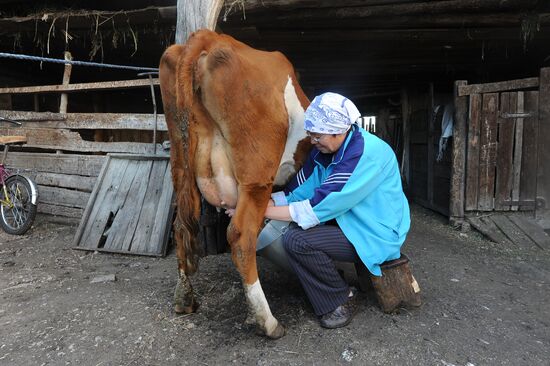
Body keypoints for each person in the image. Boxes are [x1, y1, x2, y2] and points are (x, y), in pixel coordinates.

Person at [264, 92, 410, 329]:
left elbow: (317, 207)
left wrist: (261, 213)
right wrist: (260, 203)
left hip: (375, 233)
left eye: (317, 135)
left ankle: (341, 299)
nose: (313, 141)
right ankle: (330, 282)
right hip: (351, 219)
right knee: (293, 227)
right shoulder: (325, 151)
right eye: (311, 135)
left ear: (338, 130)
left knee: (297, 240)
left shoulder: (365, 155)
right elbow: (299, 191)